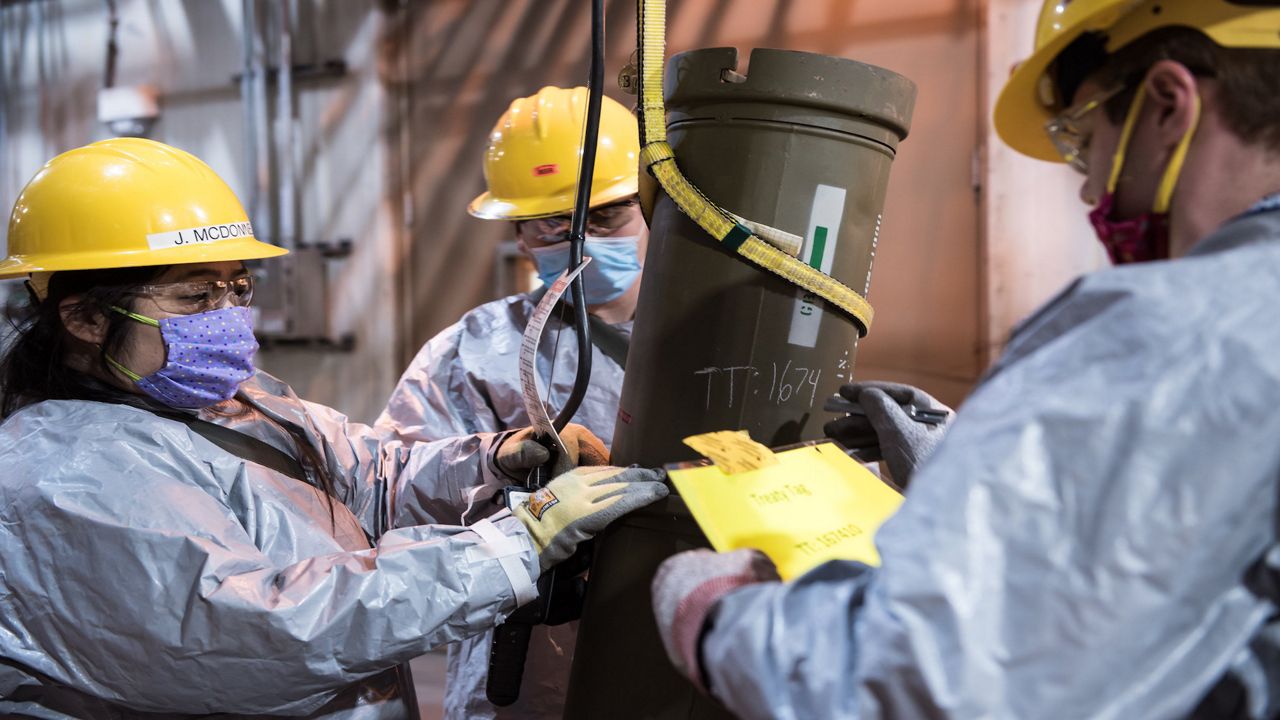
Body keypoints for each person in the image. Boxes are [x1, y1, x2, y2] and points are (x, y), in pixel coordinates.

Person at [650, 2, 1280, 718]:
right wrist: (988, 471)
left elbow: (916, 680)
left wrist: (720, 616)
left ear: (1169, 106)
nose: (1087, 183)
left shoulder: (1171, 328)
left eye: (1082, 139)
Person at [0, 137, 667, 718]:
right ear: (84, 318)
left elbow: (363, 475)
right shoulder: (62, 480)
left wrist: (498, 458)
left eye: (237, 287)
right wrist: (514, 545)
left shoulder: (225, 400)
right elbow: (271, 633)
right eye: (195, 296)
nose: (228, 315)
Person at [376, 86, 646, 719]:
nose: (573, 239)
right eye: (547, 225)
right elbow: (397, 491)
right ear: (519, 237)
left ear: (655, 209)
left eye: (602, 216)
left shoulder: (716, 337)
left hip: (682, 634)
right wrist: (515, 486)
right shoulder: (474, 350)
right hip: (526, 660)